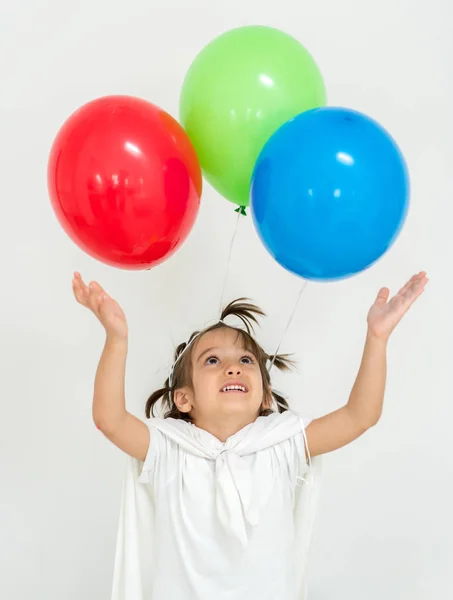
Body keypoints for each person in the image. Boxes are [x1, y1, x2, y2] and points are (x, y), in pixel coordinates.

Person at [72, 270, 428, 600]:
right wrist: (116, 339)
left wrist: (377, 338)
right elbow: (111, 420)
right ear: (184, 399)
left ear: (265, 395)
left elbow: (360, 416)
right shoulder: (169, 448)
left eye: (246, 361)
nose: (232, 367)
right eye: (212, 360)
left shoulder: (282, 442)